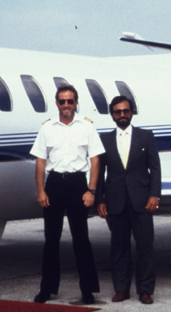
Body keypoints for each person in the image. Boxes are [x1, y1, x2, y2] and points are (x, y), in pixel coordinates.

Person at [30, 84, 104, 305]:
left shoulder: (87, 127)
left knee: (81, 239)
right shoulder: (47, 128)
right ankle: (47, 289)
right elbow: (41, 162)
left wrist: (91, 190)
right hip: (54, 185)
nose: (66, 105)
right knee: (51, 240)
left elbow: (95, 160)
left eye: (70, 101)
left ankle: (88, 290)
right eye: (62, 101)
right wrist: (41, 190)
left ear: (76, 103)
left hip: (78, 185)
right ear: (56, 103)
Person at [96, 96, 161, 305]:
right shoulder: (104, 139)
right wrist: (100, 200)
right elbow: (99, 172)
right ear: (112, 115)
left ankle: (145, 290)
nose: (122, 115)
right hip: (116, 201)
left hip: (141, 200)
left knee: (145, 247)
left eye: (125, 111)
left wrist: (154, 195)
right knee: (119, 248)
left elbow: (155, 168)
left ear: (131, 112)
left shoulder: (145, 136)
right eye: (117, 112)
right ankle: (121, 289)